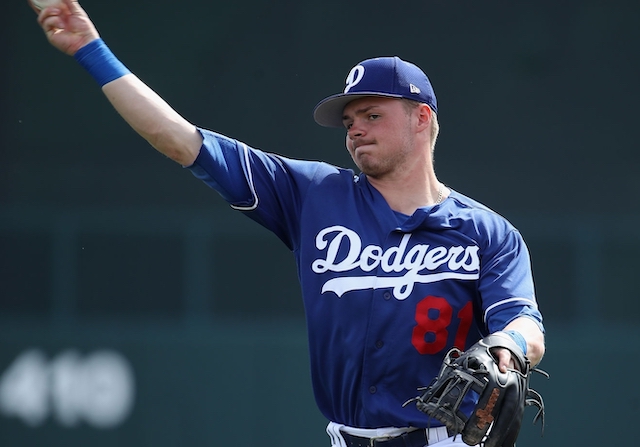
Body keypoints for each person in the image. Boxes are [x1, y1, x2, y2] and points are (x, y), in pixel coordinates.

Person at [30, 1, 546, 446]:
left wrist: (504, 348)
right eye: (349, 122)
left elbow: (526, 325)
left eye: (371, 115)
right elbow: (180, 140)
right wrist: (90, 51)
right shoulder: (313, 195)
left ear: (422, 117)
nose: (355, 131)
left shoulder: (486, 232)